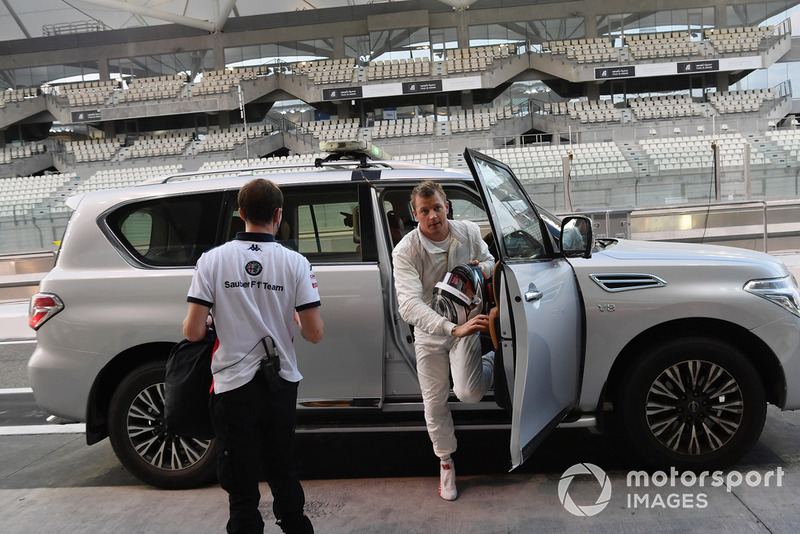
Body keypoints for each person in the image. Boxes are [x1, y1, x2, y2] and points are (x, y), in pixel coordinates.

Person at [183, 178, 324, 534]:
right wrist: (290, 314)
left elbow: (192, 332)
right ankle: (294, 524)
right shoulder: (296, 262)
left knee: (239, 478)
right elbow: (314, 333)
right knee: (281, 464)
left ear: (240, 213)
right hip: (281, 382)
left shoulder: (211, 261)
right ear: (279, 215)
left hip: (231, 384)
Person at [392, 181, 495, 501]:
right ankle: (446, 464)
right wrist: (451, 328)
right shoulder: (406, 250)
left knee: (468, 393)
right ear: (415, 214)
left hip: (469, 325)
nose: (433, 216)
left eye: (437, 207)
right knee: (434, 404)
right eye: (425, 211)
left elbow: (491, 262)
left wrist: (479, 270)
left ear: (446, 206)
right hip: (432, 334)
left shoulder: (468, 232)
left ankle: (495, 360)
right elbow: (408, 305)